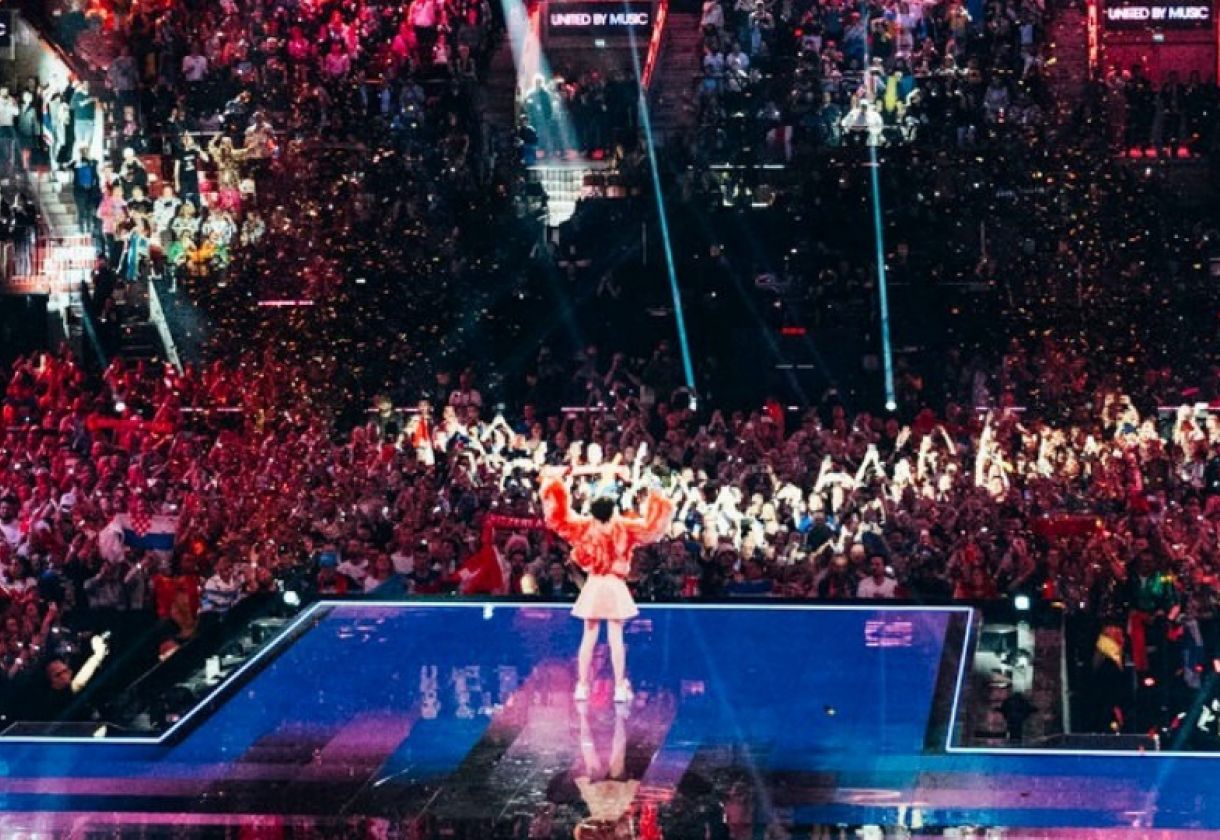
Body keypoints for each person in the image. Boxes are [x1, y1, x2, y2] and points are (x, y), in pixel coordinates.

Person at [539, 474, 675, 703]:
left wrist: (555, 486)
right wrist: (657, 497)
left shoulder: (583, 527)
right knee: (616, 638)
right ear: (613, 511)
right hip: (613, 585)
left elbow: (558, 519)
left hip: (594, 584)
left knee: (588, 637)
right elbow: (652, 529)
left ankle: (582, 686)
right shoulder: (624, 527)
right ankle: (620, 687)